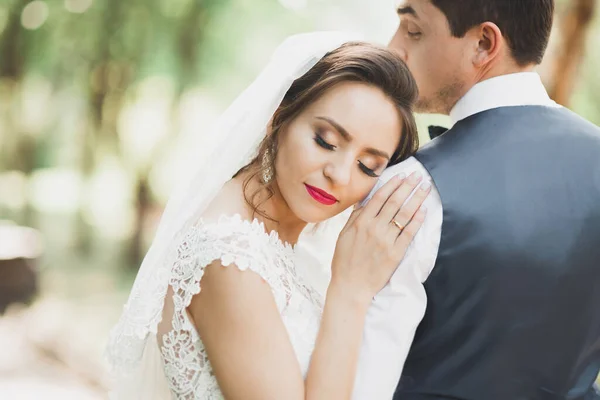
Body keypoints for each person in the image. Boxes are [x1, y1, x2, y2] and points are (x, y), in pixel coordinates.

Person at [106, 32, 431, 399]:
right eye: (325, 140)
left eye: (368, 166)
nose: (339, 174)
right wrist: (349, 292)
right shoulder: (229, 257)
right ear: (279, 117)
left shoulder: (285, 245)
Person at [352, 1, 600, 399]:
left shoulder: (408, 190)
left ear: (484, 44)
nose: (393, 47)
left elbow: (362, 384)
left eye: (413, 31)